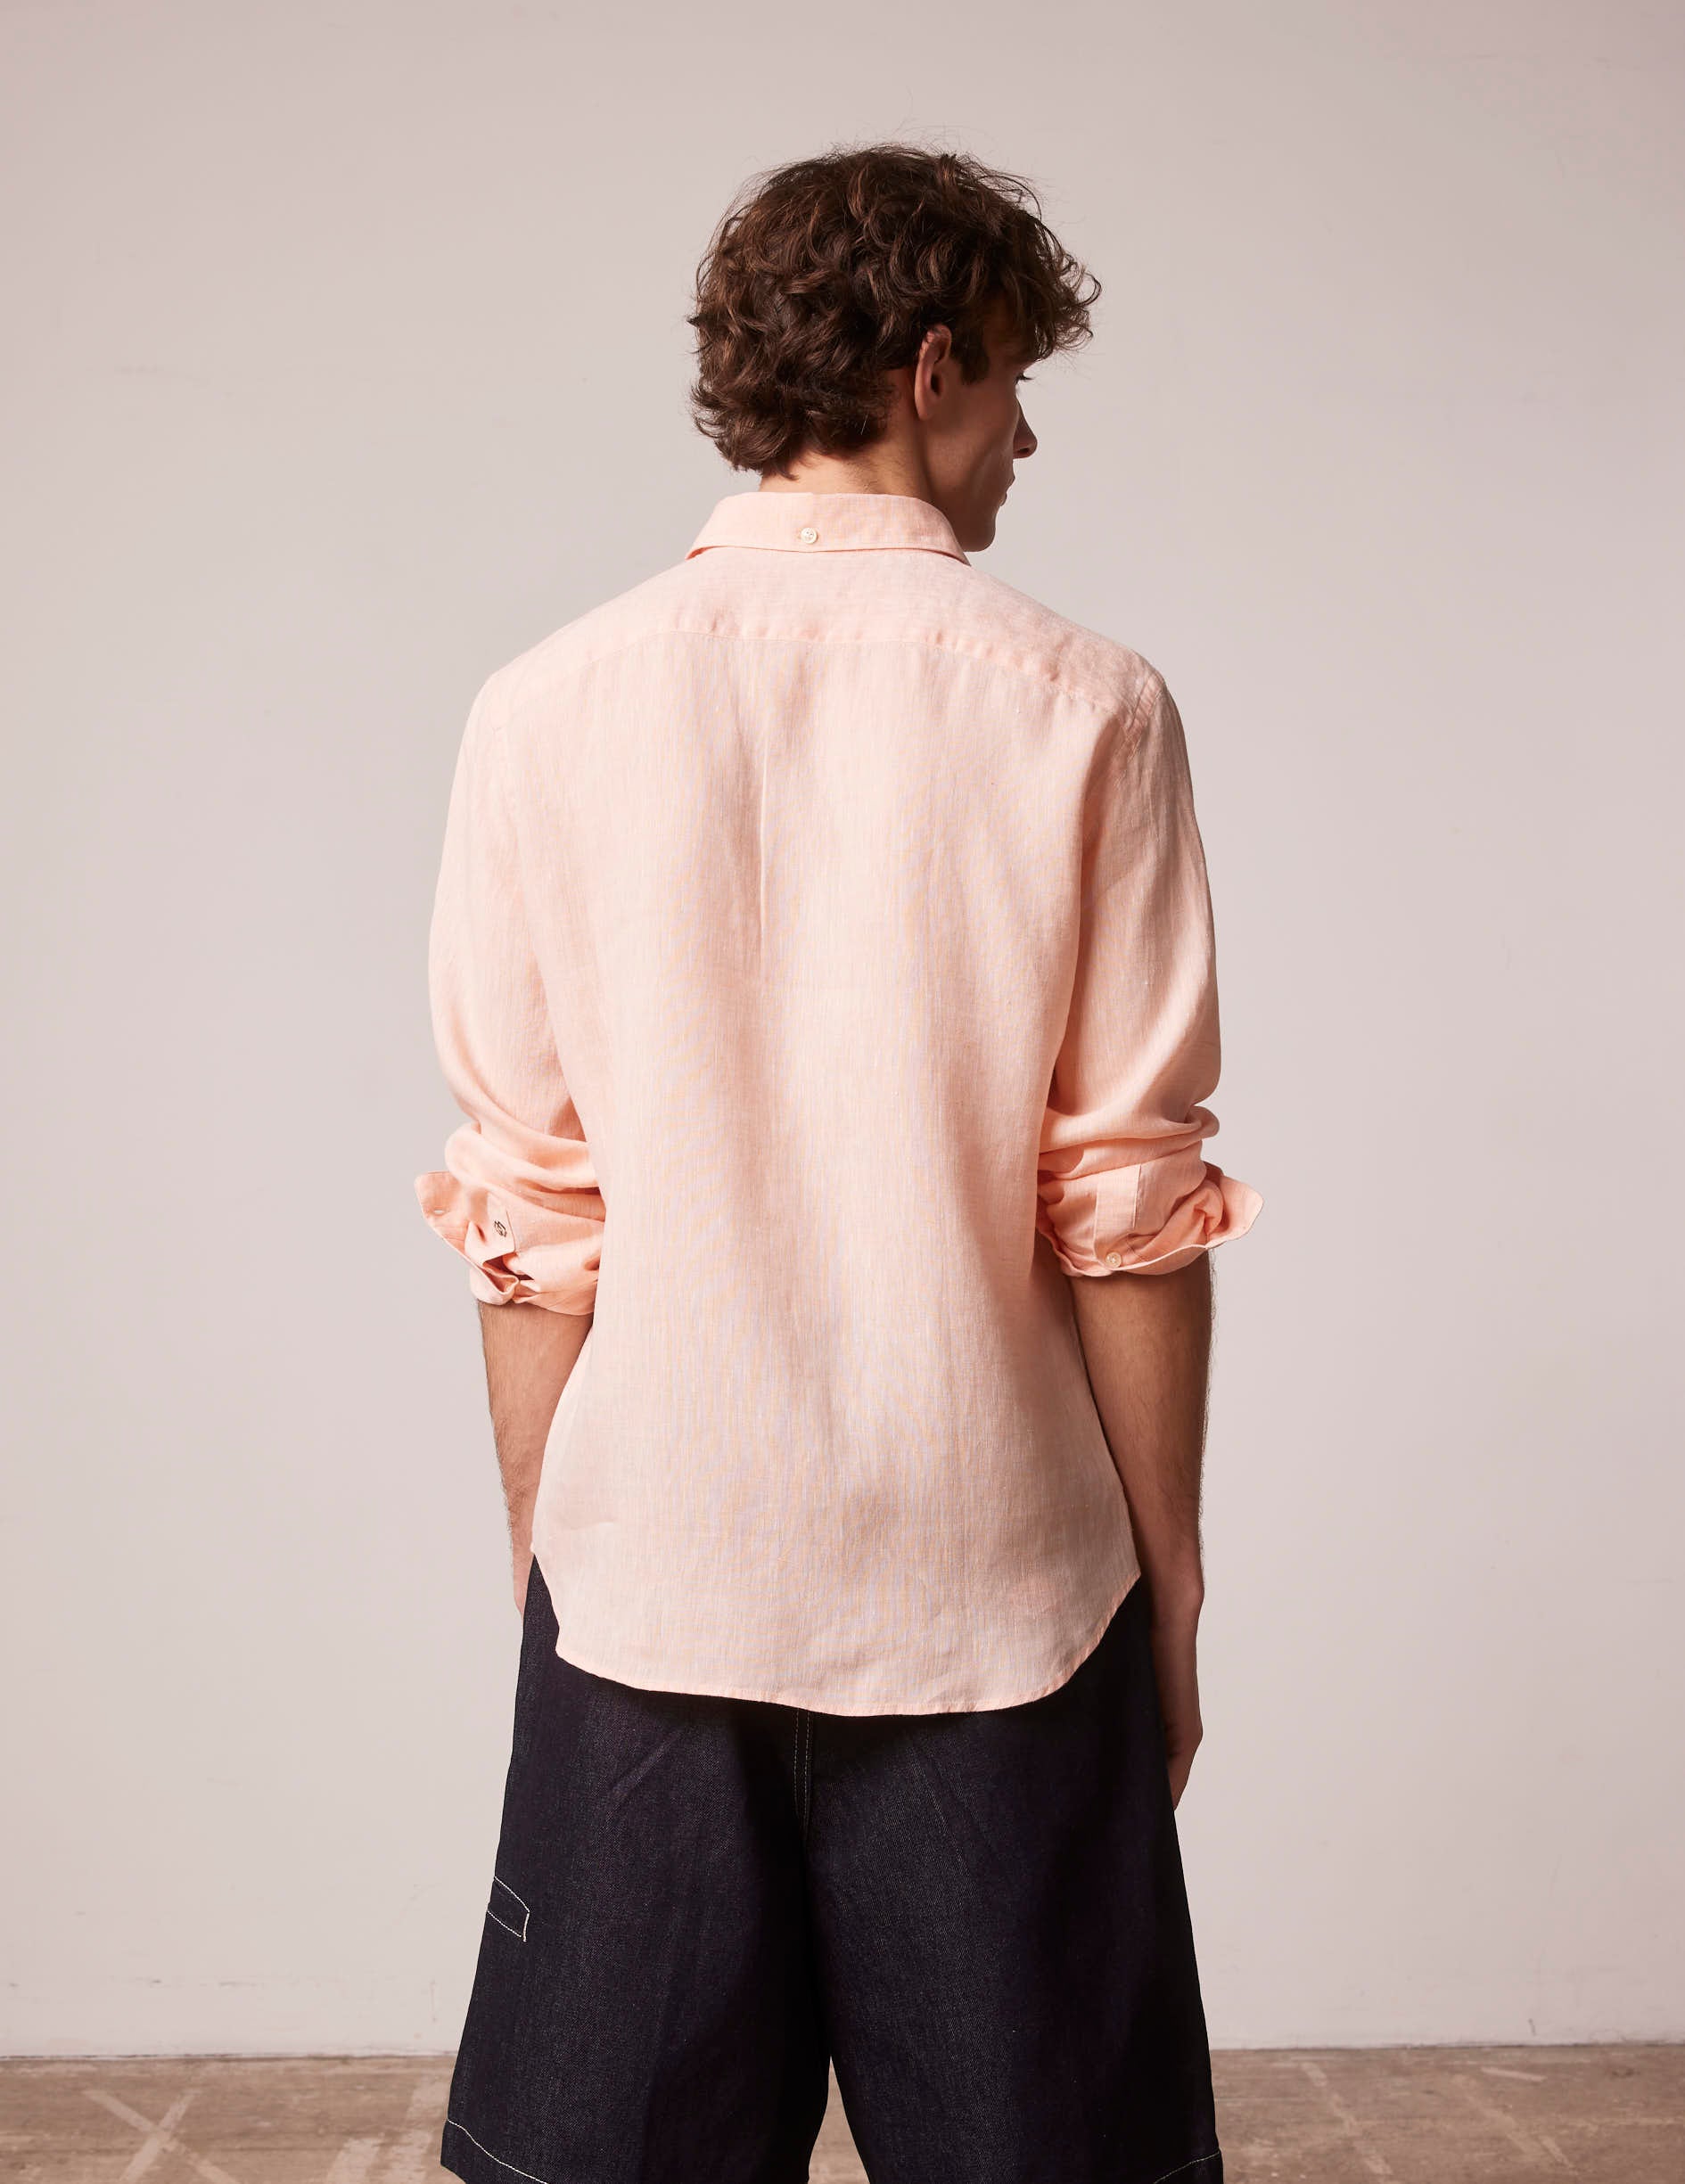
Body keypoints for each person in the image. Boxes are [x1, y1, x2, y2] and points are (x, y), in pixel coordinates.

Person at [415, 141, 1262, 2184]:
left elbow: (531, 1220)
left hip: (655, 1573)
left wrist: (554, 1555)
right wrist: (1170, 1584)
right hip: (1000, 1583)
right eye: (1015, 383)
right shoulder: (1086, 707)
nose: (1025, 435)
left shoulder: (541, 709)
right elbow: (1129, 1214)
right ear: (931, 365)